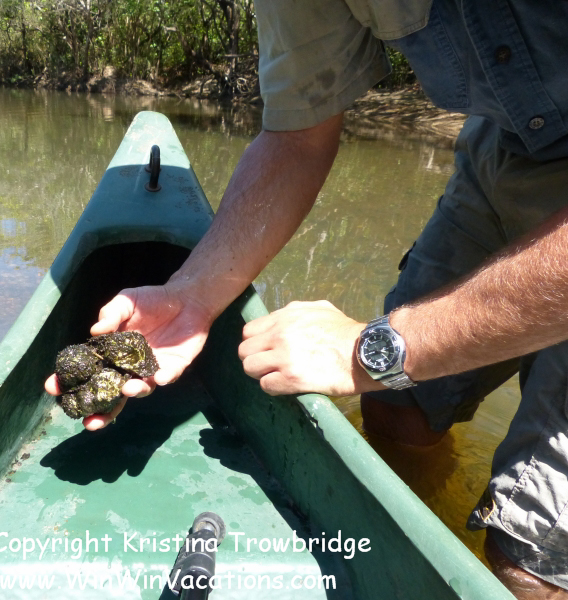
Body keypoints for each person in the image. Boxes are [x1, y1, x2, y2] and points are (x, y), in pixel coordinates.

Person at [46, 0, 568, 597]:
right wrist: (191, 296)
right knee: (398, 408)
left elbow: (384, 351)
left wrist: (378, 347)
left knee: (530, 563)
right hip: (505, 150)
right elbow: (297, 138)